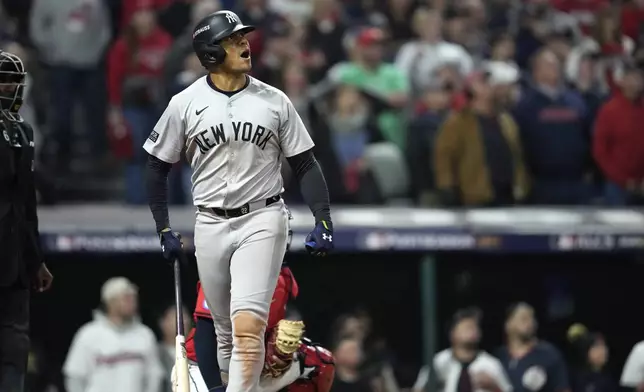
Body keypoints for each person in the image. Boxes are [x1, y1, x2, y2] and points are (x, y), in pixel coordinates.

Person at [143, 10, 334, 392]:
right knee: (225, 333)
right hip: (210, 221)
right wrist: (163, 227)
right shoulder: (185, 103)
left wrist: (323, 219)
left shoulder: (274, 100)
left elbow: (305, 163)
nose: (244, 44)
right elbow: (156, 166)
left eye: (242, 37)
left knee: (248, 329)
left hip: (262, 217)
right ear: (211, 51)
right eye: (233, 40)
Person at [173, 266, 335, 392]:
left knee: (318, 362)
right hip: (203, 367)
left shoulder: (282, 277)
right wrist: (216, 389)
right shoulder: (225, 271)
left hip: (247, 367)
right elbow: (205, 336)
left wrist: (280, 355)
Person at [0, 49, 54, 392]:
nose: (9, 87)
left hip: (15, 258)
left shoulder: (23, 131)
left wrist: (36, 260)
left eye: (14, 80)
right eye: (3, 80)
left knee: (15, 345)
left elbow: (26, 204)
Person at [63, 277, 164, 392]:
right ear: (110, 302)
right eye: (126, 298)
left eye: (134, 298)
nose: (133, 302)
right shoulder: (88, 334)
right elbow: (75, 377)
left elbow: (154, 376)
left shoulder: (145, 334)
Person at [413, 307, 511, 392]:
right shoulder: (439, 362)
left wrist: (494, 387)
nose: (472, 328)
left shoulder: (491, 365)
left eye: (474, 326)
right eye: (466, 326)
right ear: (452, 334)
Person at [495, 303, 570, 392]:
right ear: (508, 325)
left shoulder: (548, 354)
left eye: (532, 318)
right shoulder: (498, 357)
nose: (529, 323)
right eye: (524, 318)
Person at [566, 324, 616, 392]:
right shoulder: (575, 377)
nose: (602, 351)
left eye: (604, 346)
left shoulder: (609, 378)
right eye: (597, 347)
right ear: (586, 351)